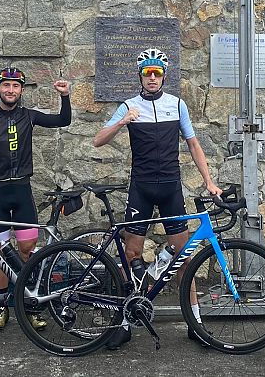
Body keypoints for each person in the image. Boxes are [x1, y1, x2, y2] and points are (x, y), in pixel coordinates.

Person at [93, 48, 220, 349]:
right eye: (147, 73)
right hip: (141, 187)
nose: (152, 78)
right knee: (131, 255)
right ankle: (124, 323)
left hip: (171, 188)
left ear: (164, 76)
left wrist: (209, 181)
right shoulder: (128, 105)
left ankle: (196, 323)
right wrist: (123, 121)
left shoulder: (177, 105)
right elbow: (98, 140)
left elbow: (192, 143)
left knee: (184, 256)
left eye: (157, 73)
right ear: (140, 75)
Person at [0, 67, 71, 331]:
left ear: (21, 90)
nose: (10, 90)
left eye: (15, 86)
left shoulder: (29, 116)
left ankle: (29, 306)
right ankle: (3, 306)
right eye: (6, 85)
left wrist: (65, 96)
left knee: (27, 250)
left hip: (21, 192)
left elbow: (63, 121)